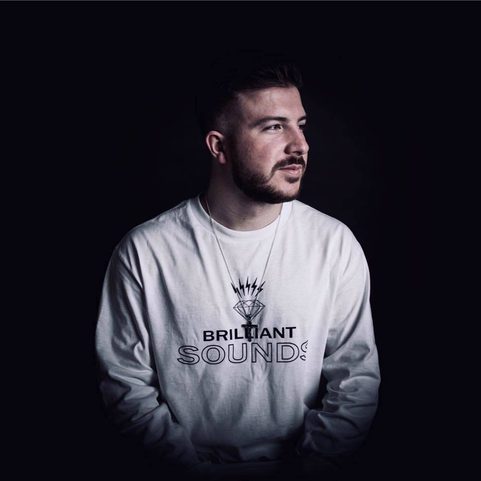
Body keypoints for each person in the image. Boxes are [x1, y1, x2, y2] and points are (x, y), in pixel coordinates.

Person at [95, 50, 380, 481]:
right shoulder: (146, 252)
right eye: (273, 127)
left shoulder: (333, 244)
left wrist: (312, 468)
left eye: (301, 125)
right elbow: (126, 386)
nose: (299, 145)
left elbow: (356, 379)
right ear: (219, 146)